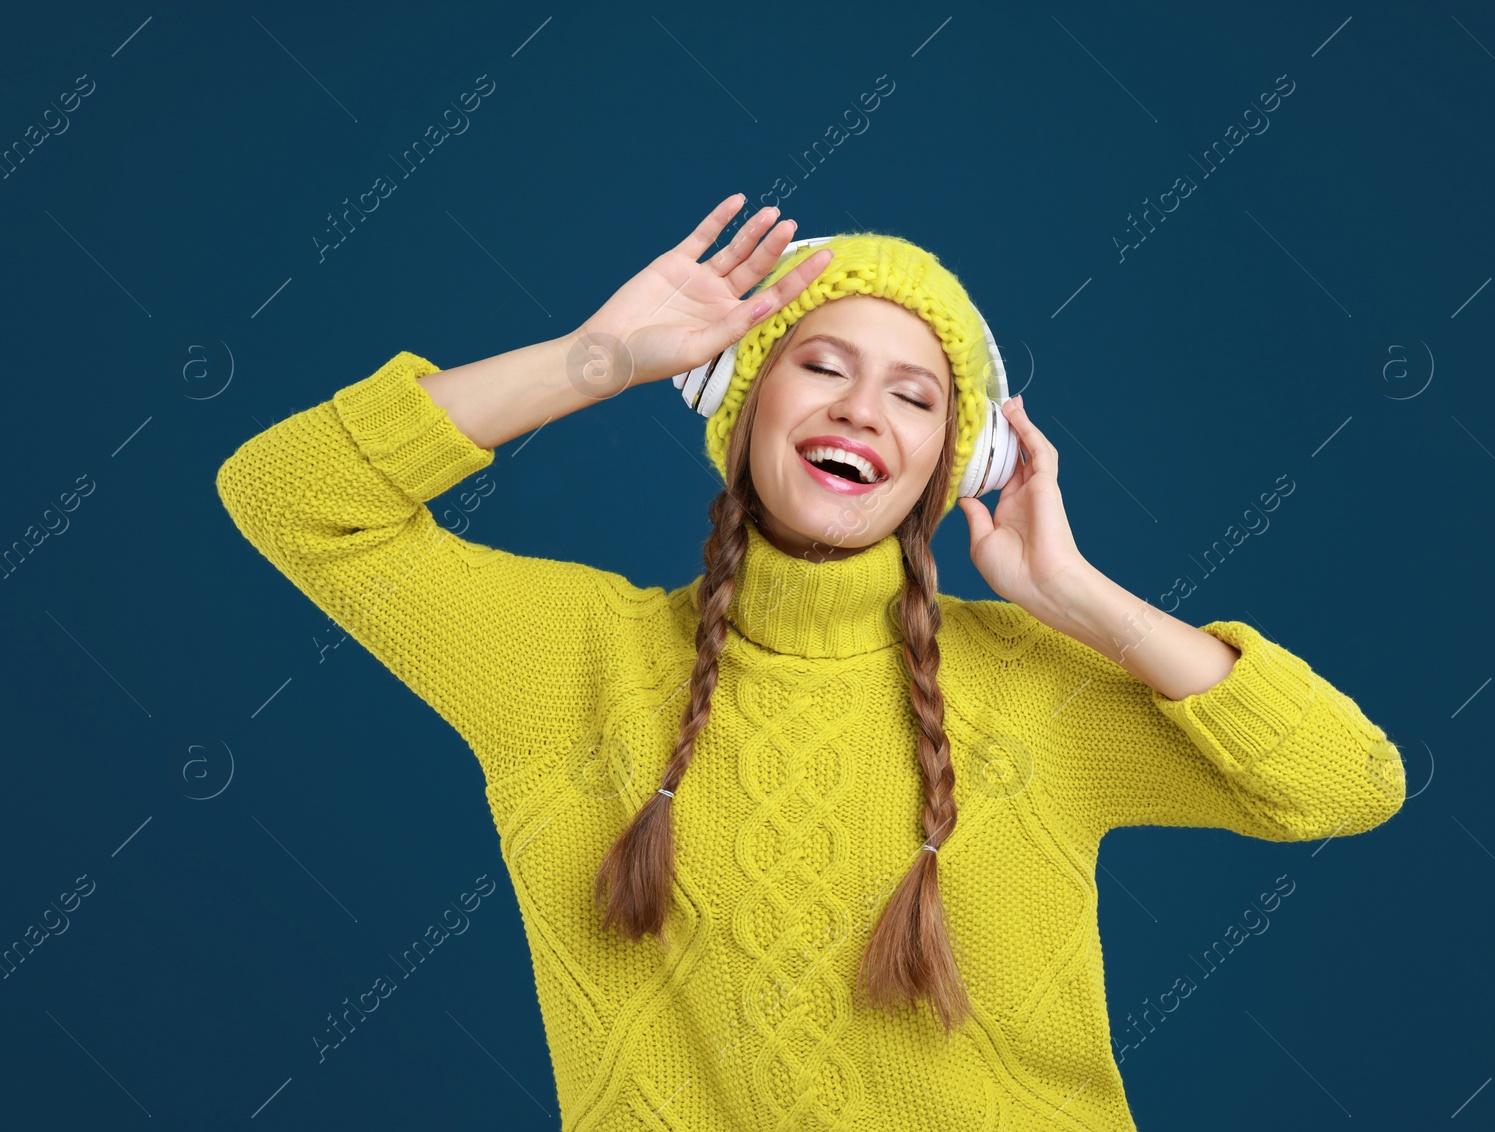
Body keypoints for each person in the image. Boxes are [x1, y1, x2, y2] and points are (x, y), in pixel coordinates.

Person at [216, 193, 1406, 1131]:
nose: (862, 411)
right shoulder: (568, 661)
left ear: (953, 462)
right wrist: (597, 358)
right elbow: (290, 497)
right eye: (821, 364)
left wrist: (1084, 601)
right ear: (740, 400)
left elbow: (1347, 786)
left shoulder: (1031, 682)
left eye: (916, 395)